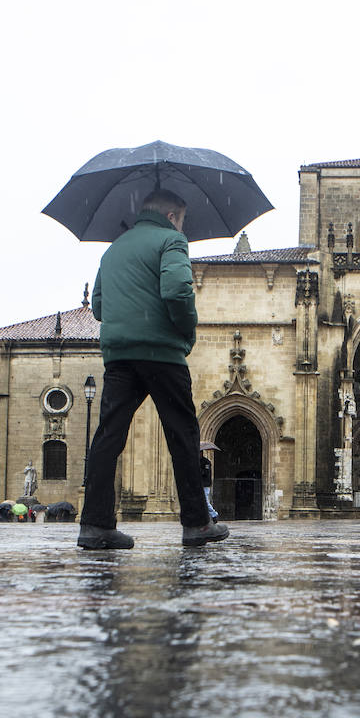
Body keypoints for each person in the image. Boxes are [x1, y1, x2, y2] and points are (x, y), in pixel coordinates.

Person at [77, 188, 229, 549]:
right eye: (184, 219)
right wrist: (185, 329)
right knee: (183, 436)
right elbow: (177, 292)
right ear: (174, 215)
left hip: (118, 356)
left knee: (108, 438)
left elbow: (98, 306)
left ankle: (95, 525)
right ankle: (196, 523)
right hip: (161, 353)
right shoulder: (172, 240)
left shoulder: (112, 250)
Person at [200, 448, 219, 523]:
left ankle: (214, 514)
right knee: (200, 501)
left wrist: (199, 470)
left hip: (205, 484)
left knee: (205, 501)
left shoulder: (206, 462)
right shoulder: (197, 461)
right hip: (199, 485)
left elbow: (206, 473)